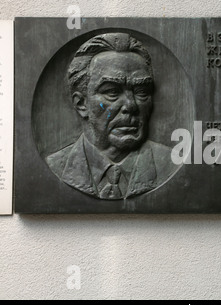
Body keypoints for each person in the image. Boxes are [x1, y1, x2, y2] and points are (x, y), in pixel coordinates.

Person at [46, 33, 177, 199]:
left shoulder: (171, 162)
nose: (131, 105)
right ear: (81, 104)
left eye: (141, 92)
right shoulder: (56, 165)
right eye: (112, 92)